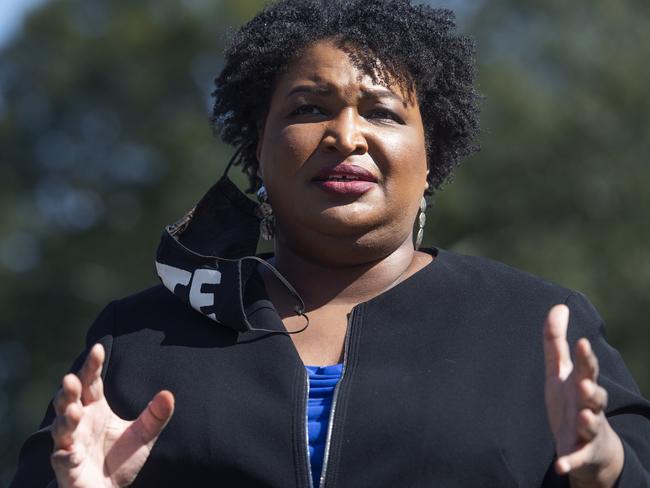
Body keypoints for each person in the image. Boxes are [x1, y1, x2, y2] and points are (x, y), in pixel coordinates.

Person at [11, 0, 650, 487]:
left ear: (432, 159)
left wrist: (604, 467)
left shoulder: (540, 330)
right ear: (256, 152)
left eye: (382, 112)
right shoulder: (141, 338)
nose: (346, 135)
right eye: (308, 109)